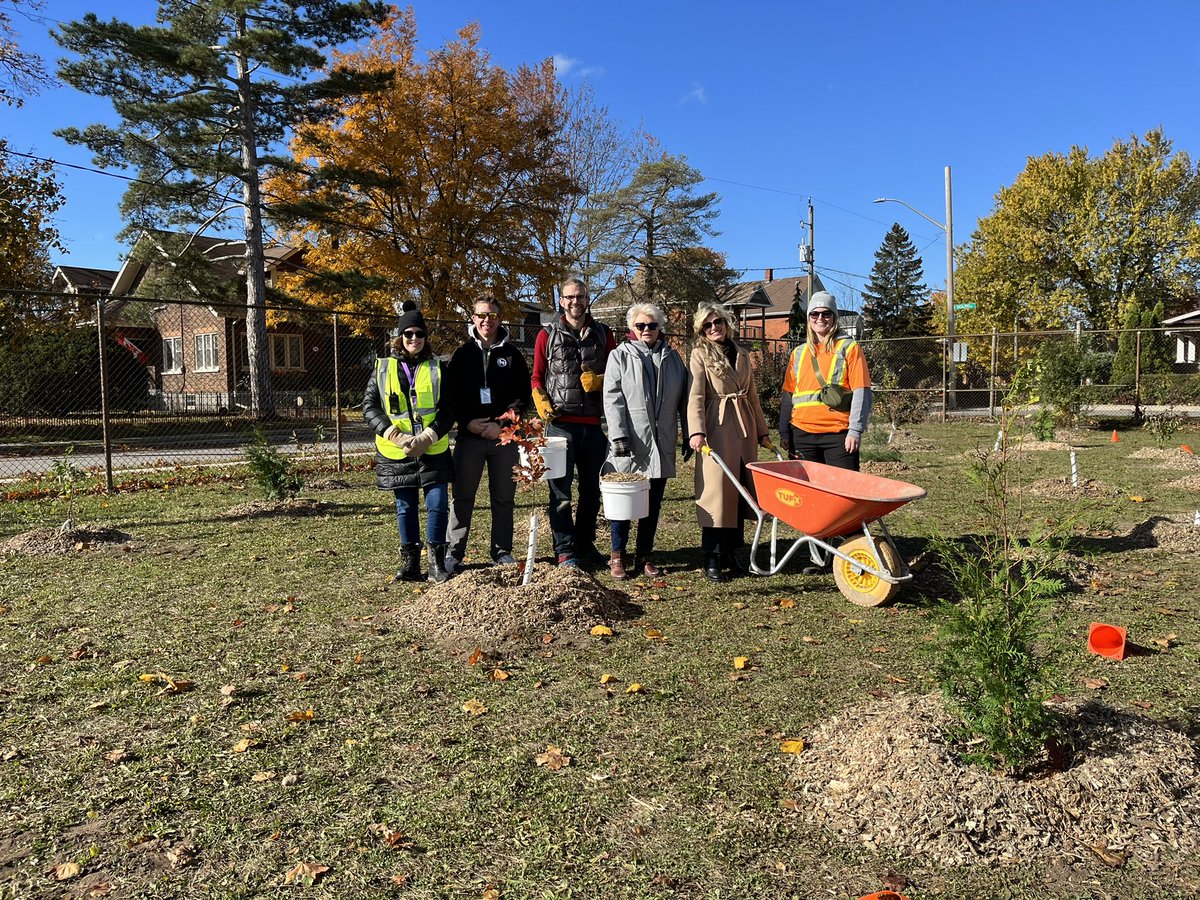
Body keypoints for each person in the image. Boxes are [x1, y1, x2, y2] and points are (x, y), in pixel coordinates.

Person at [362, 301, 456, 583]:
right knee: (405, 507)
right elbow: (369, 406)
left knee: (438, 504)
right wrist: (394, 434)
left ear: (426, 338)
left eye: (419, 334)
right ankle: (410, 564)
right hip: (396, 451)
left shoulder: (438, 368)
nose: (414, 339)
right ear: (399, 337)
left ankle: (437, 562)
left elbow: (450, 409)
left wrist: (429, 436)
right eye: (408, 334)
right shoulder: (382, 368)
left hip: (433, 449)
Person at [530, 277, 617, 568]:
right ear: (561, 301)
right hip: (560, 427)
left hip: (594, 426)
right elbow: (537, 376)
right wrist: (540, 401)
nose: (574, 302)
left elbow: (618, 376)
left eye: (580, 296)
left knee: (592, 491)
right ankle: (565, 550)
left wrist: (601, 381)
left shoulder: (604, 335)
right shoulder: (548, 334)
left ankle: (585, 544)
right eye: (569, 297)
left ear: (587, 298)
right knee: (560, 492)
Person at [444, 294, 532, 572]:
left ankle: (502, 551)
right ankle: (453, 554)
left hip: (502, 440)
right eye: (482, 315)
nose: (487, 320)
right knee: (462, 497)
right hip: (469, 438)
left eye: (492, 315)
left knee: (504, 497)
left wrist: (502, 427)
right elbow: (450, 396)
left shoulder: (512, 354)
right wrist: (467, 421)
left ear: (499, 319)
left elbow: (523, 397)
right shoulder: (462, 354)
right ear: (473, 318)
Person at [601, 302, 689, 580]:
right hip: (630, 443)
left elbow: (685, 401)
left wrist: (687, 433)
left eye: (652, 325)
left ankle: (645, 556)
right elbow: (612, 399)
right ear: (631, 328)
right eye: (640, 326)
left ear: (660, 327)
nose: (646, 330)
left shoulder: (673, 358)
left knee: (652, 502)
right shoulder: (620, 356)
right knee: (625, 502)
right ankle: (617, 557)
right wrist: (618, 436)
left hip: (661, 443)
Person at [687, 301, 770, 582]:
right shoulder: (699, 355)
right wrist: (696, 431)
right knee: (717, 493)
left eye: (718, 322)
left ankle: (734, 553)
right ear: (702, 329)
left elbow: (753, 396)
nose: (714, 328)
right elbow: (696, 395)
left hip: (744, 426)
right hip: (717, 427)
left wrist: (762, 431)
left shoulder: (743, 354)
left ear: (726, 323)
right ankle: (713, 557)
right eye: (708, 325)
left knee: (741, 491)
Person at [778, 291, 872, 470]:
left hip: (838, 436)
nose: (820, 318)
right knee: (807, 493)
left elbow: (862, 391)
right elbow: (788, 396)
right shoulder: (798, 353)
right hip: (802, 435)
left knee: (843, 493)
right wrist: (784, 431)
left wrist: (855, 431)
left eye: (826, 313)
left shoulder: (849, 348)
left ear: (834, 317)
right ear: (809, 318)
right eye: (814, 313)